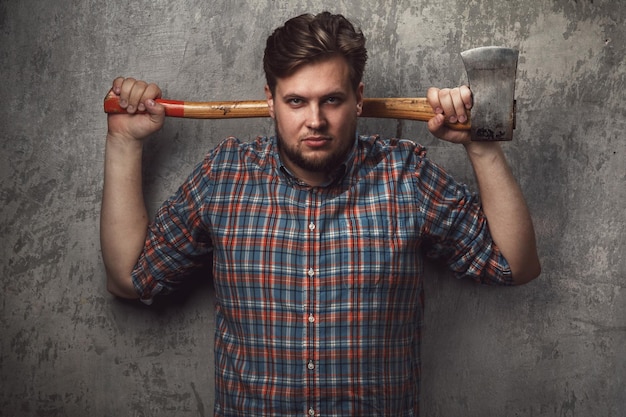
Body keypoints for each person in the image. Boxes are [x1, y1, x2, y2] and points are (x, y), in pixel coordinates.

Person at [100, 11, 540, 417]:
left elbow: (515, 264)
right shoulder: (225, 176)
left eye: (331, 99)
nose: (315, 120)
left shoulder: (406, 176)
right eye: (296, 102)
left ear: (359, 98)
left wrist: (480, 145)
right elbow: (129, 278)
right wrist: (124, 141)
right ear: (269, 100)